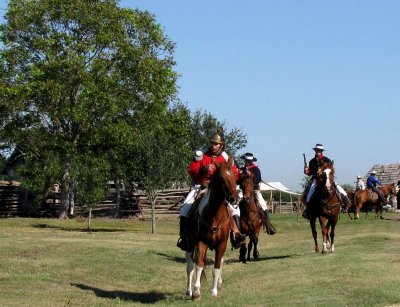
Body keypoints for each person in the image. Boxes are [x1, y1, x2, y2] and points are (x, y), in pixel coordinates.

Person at [177, 130, 246, 252]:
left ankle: (236, 236)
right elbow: (192, 169)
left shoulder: (226, 158)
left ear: (221, 145)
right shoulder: (202, 154)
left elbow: (233, 174)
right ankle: (184, 238)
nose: (213, 146)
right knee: (184, 209)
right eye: (212, 143)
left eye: (216, 144)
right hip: (201, 187)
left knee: (235, 208)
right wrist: (203, 168)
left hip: (219, 190)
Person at [302, 143, 352, 219]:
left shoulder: (327, 160)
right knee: (309, 194)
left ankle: (347, 203)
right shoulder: (311, 161)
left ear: (321, 151)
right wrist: (306, 171)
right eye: (317, 150)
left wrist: (322, 171)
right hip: (317, 180)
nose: (318, 151)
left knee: (340, 189)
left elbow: (331, 169)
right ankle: (308, 210)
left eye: (319, 150)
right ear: (315, 151)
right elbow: (310, 173)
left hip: (327, 179)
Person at [239, 153, 276, 235]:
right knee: (235, 203)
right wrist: (240, 175)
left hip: (254, 190)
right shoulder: (241, 169)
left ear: (251, 161)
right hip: (243, 191)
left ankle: (268, 224)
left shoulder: (255, 169)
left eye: (249, 160)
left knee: (263, 204)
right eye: (246, 160)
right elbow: (238, 181)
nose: (247, 161)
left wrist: (251, 176)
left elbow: (258, 179)